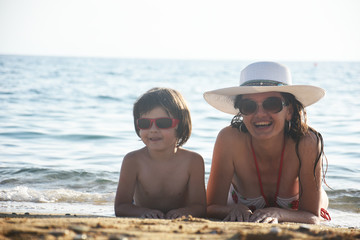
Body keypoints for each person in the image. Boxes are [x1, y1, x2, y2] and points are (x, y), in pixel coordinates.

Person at [203, 62, 330, 224]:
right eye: (249, 106)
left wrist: (279, 213)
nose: (260, 114)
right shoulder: (229, 139)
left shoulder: (307, 142)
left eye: (272, 104)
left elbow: (312, 216)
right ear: (241, 112)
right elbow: (210, 207)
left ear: (289, 111)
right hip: (236, 201)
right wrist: (235, 209)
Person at [115, 87, 206, 219]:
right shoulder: (133, 161)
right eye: (145, 123)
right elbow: (121, 206)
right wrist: (142, 212)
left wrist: (184, 212)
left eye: (163, 123)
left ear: (180, 125)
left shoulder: (193, 161)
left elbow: (200, 207)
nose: (153, 130)